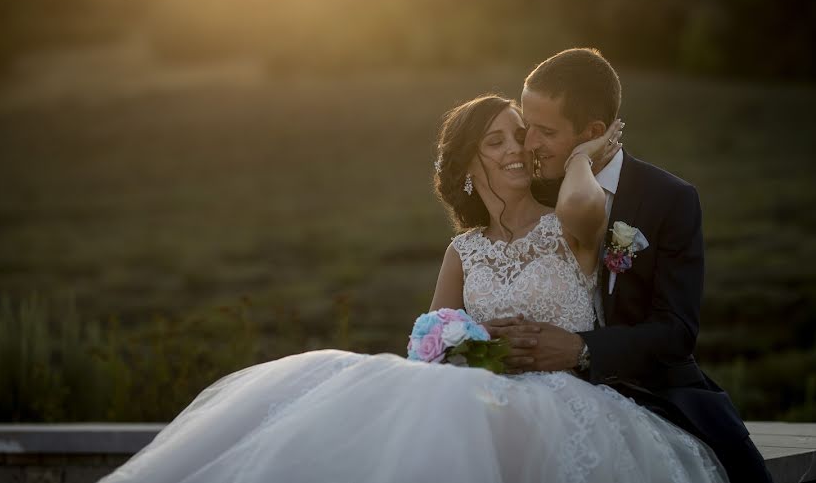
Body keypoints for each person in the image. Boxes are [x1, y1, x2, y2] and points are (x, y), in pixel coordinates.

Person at [100, 94, 727, 483]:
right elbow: (431, 342)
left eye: (522, 135)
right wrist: (489, 355)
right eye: (497, 140)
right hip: (484, 395)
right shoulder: (464, 250)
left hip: (570, 401)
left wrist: (584, 158)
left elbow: (589, 207)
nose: (518, 150)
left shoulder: (568, 223)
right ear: (466, 166)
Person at [484, 48, 771, 483]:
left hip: (653, 391)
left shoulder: (669, 200)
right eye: (528, 127)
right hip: (542, 399)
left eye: (544, 131)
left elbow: (676, 332)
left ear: (593, 132)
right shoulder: (534, 191)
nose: (529, 146)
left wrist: (582, 350)